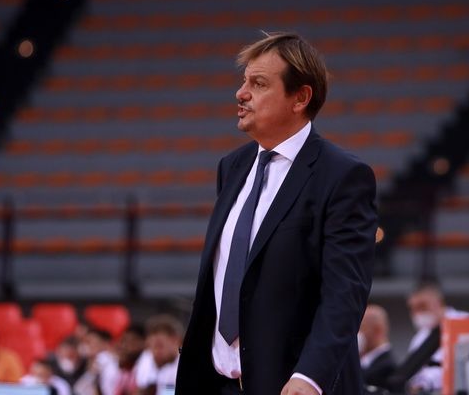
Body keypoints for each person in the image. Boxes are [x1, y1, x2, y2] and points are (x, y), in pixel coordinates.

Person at [175, 32, 377, 395]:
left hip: (292, 385)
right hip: (218, 383)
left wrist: (310, 377)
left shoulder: (343, 176)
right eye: (244, 81)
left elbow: (344, 293)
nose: (241, 93)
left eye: (259, 84)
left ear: (300, 97)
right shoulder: (231, 167)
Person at [406, 282, 469, 393]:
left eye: (422, 306)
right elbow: (412, 372)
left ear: (439, 303)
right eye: (413, 308)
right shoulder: (420, 337)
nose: (418, 313)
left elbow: (463, 367)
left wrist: (426, 382)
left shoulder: (465, 323)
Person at [136, 315, 182, 395]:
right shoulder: (145, 358)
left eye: (160, 346)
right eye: (153, 346)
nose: (156, 351)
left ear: (176, 341)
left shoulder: (189, 365)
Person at [358, 304, 396, 389]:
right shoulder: (365, 362)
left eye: (361, 328)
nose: (358, 334)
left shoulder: (387, 368)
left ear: (377, 330)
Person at [114, 324, 146, 395]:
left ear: (143, 342)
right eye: (123, 341)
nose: (124, 346)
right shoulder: (124, 371)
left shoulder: (149, 368)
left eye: (130, 341)